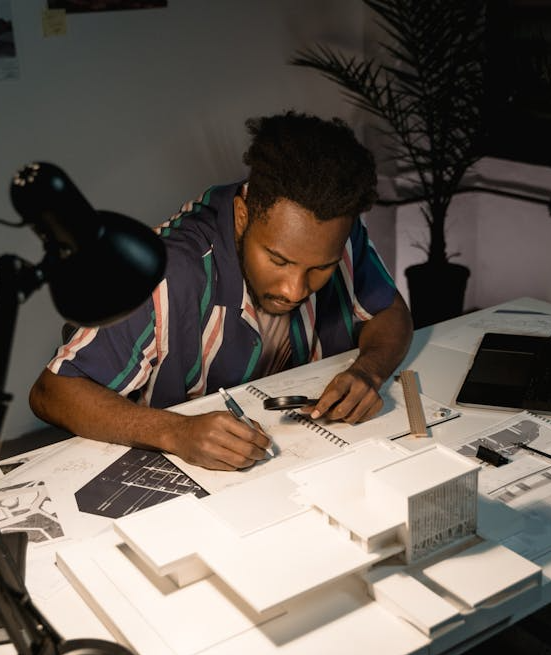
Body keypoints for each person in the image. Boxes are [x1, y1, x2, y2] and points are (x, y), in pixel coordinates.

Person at [28, 111, 414, 471]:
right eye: (278, 260)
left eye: (321, 268)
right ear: (243, 214)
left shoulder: (333, 233)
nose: (295, 289)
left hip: (306, 460)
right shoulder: (167, 272)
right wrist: (175, 431)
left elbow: (390, 313)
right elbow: (51, 392)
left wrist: (369, 371)